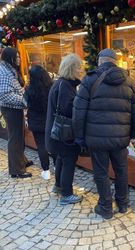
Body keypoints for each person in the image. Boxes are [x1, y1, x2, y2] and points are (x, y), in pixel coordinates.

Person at [73, 48, 135, 219]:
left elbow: (78, 112)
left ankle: (105, 206)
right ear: (115, 62)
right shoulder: (130, 82)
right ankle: (123, 203)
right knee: (121, 170)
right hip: (121, 138)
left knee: (101, 172)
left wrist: (80, 137)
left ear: (100, 61)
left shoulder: (89, 80)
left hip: (97, 139)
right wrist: (134, 134)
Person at [45, 54, 82, 205]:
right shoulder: (66, 86)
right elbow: (68, 110)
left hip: (56, 132)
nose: (81, 71)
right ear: (72, 69)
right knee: (68, 160)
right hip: (64, 133)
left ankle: (59, 186)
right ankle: (67, 194)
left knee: (61, 158)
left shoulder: (60, 83)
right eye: (79, 68)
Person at [0, 47, 32, 178]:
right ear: (10, 58)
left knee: (18, 136)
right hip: (10, 108)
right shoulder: (3, 71)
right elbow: (4, 94)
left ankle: (21, 161)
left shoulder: (8, 69)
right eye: (17, 57)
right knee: (15, 137)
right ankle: (16, 170)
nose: (19, 59)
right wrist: (24, 101)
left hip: (14, 108)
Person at [25, 65, 55, 180]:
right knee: (53, 144)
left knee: (41, 145)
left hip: (36, 121)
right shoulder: (51, 87)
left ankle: (46, 171)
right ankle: (57, 167)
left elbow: (25, 103)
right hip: (50, 120)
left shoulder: (29, 89)